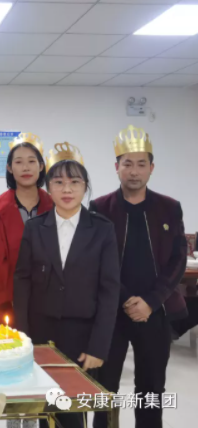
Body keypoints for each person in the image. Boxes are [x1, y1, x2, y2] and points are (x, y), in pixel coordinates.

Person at [15, 143, 120, 428]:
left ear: (85, 187)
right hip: (41, 333)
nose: (67, 189)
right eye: (59, 182)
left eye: (75, 182)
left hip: (82, 336)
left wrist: (98, 347)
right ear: (48, 187)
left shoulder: (102, 229)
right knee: (44, 407)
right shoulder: (35, 227)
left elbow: (109, 291)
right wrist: (23, 339)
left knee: (73, 412)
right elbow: (22, 282)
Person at [91, 126, 187, 428]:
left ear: (151, 168)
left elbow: (178, 259)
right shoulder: (99, 208)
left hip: (154, 311)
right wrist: (125, 300)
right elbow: (96, 262)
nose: (134, 171)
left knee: (151, 390)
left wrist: (151, 301)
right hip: (110, 313)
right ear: (116, 167)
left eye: (141, 164)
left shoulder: (169, 208)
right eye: (127, 164)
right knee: (104, 389)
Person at [0, 133, 53, 325]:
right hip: (10, 303)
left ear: (41, 166)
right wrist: (7, 300)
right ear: (9, 168)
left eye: (31, 161)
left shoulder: (55, 207)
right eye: (19, 162)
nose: (26, 167)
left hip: (52, 301)